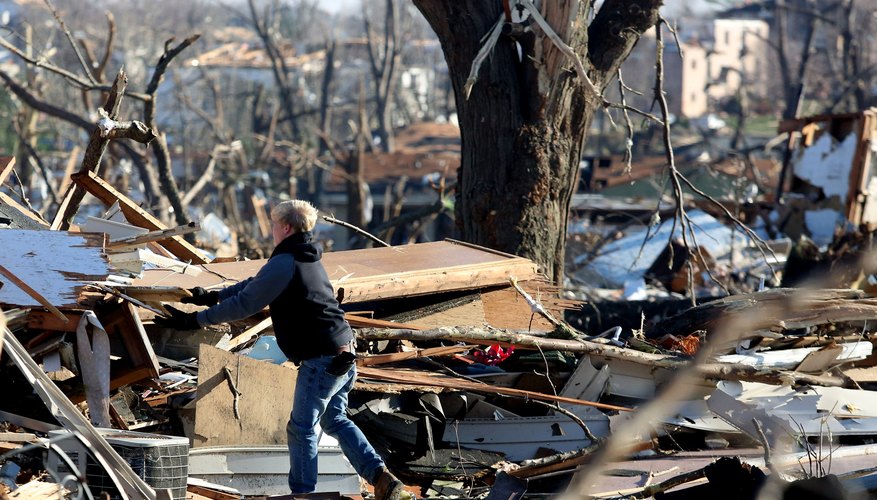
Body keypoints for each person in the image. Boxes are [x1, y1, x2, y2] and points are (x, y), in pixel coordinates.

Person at [156, 200, 409, 500]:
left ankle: (302, 495)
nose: (272, 230)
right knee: (335, 419)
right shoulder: (305, 257)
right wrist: (211, 297)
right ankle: (382, 478)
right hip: (343, 350)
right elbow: (254, 284)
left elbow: (246, 304)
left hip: (323, 358)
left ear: (286, 227)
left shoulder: (286, 261)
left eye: (274, 225)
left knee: (301, 428)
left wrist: (195, 320)